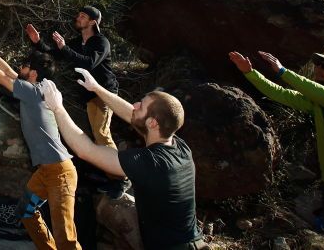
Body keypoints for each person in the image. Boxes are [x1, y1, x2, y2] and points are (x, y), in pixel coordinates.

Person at [40, 70, 206, 250]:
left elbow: (86, 151)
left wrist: (57, 107)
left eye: (141, 105)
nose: (134, 105)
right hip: (192, 242)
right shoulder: (178, 146)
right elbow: (132, 115)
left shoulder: (150, 162)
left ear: (153, 123)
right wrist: (96, 88)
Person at [0, 26, 81, 250]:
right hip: (45, 171)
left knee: (66, 240)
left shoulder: (35, 93)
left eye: (24, 65)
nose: (19, 68)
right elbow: (4, 70)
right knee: (26, 211)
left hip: (60, 172)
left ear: (32, 73)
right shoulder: (37, 88)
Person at [229, 49, 324, 247]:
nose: (317, 69)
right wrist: (250, 73)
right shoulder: (319, 104)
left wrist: (282, 71)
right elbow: (280, 94)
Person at [25, 6, 126, 198]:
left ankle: (120, 180)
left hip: (104, 92)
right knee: (97, 136)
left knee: (102, 134)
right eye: (79, 15)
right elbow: (56, 54)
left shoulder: (101, 42)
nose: (78, 18)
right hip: (89, 95)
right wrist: (38, 42)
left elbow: (89, 63)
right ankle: (109, 175)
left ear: (93, 22)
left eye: (83, 16)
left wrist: (65, 48)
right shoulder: (79, 42)